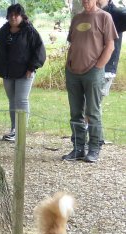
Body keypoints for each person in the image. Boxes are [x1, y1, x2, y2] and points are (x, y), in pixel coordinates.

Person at [62, 0, 117, 162]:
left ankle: (94, 148)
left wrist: (98, 67)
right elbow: (72, 45)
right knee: (75, 112)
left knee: (92, 112)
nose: (85, 1)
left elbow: (110, 46)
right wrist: (68, 65)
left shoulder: (105, 17)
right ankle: (78, 148)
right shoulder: (77, 18)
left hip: (93, 72)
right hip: (72, 72)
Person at [0, 3, 46, 142]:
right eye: (11, 15)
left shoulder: (30, 31)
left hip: (24, 73)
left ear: (22, 16)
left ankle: (21, 132)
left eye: (16, 14)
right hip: (8, 72)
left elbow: (39, 51)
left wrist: (31, 68)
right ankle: (14, 129)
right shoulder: (3, 31)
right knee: (12, 101)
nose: (13, 17)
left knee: (21, 100)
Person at [97, 0, 126, 145]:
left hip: (106, 68)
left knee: (93, 105)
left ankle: (95, 139)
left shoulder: (117, 13)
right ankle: (97, 138)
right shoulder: (90, 12)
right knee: (88, 105)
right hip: (87, 66)